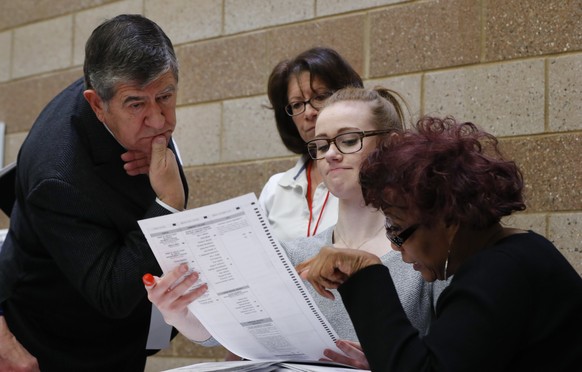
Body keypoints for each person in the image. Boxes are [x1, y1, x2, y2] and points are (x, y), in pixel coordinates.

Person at [144, 87, 434, 370]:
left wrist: (389, 360)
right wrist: (176, 312)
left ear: (391, 144)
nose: (330, 154)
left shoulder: (424, 255)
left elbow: (453, 357)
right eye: (321, 146)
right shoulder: (294, 254)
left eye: (348, 140)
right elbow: (226, 335)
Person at [297, 116, 582, 371]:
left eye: (397, 228)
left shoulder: (498, 273)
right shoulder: (517, 253)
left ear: (448, 218)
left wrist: (367, 268)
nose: (395, 246)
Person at [0, 14, 188, 372]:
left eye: (166, 96)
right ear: (96, 103)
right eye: (136, 105)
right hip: (53, 341)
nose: (159, 120)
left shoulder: (121, 85)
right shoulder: (57, 174)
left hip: (124, 333)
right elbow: (112, 294)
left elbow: (168, 176)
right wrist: (166, 206)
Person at [259, 47, 363, 242]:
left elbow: (396, 244)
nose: (308, 112)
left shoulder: (366, 176)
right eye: (297, 104)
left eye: (319, 96)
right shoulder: (275, 189)